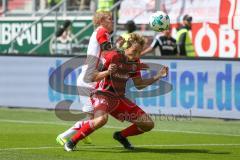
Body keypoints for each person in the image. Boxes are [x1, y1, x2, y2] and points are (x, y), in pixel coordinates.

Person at [63, 33, 169, 151]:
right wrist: (107, 72)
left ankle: (121, 136)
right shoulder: (112, 56)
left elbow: (139, 85)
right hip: (101, 94)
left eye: (139, 52)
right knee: (101, 120)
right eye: (134, 51)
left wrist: (158, 76)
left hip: (119, 98)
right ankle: (71, 142)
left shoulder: (135, 63)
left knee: (148, 124)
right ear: (126, 47)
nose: (137, 55)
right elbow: (91, 77)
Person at [56, 11, 114, 145]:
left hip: (91, 78)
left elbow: (107, 53)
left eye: (112, 19)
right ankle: (64, 136)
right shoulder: (101, 31)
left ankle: (82, 132)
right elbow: (108, 51)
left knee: (94, 117)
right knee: (96, 117)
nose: (112, 21)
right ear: (101, 21)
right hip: (88, 80)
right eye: (109, 19)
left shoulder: (103, 34)